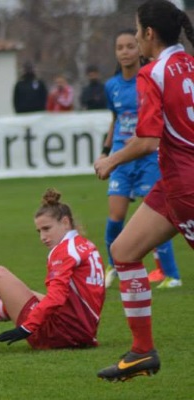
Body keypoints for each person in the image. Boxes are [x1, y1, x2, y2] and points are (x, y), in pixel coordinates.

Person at [93, 0, 194, 382]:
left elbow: (149, 139)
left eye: (137, 31)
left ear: (149, 34)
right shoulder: (188, 65)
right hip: (172, 183)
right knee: (124, 251)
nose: (134, 37)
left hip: (186, 185)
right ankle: (141, 351)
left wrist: (110, 160)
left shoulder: (154, 74)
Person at [0, 188, 105, 350]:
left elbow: (56, 297)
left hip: (58, 335)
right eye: (39, 231)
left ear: (65, 222)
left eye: (47, 229)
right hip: (83, 333)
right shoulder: (86, 245)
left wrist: (27, 327)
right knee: (25, 296)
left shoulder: (64, 251)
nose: (42, 237)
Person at [99, 29, 181, 290]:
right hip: (121, 158)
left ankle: (169, 273)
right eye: (120, 47)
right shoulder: (111, 86)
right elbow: (115, 120)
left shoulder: (150, 79)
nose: (125, 51)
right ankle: (115, 263)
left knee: (156, 215)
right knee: (115, 217)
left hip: (146, 156)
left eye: (130, 46)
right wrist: (105, 150)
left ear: (139, 49)